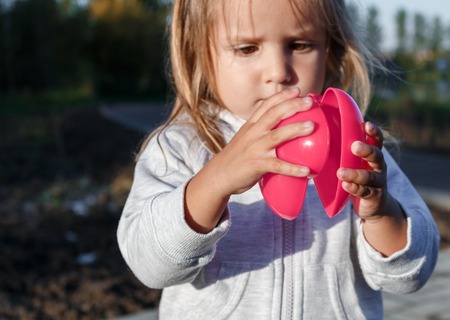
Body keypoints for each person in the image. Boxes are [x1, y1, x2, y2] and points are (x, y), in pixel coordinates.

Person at [117, 0, 440, 319]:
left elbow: (411, 274)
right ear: (199, 53)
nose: (278, 73)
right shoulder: (180, 147)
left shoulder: (356, 148)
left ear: (331, 48)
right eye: (246, 48)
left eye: (299, 45)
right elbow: (150, 266)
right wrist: (215, 180)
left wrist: (381, 214)